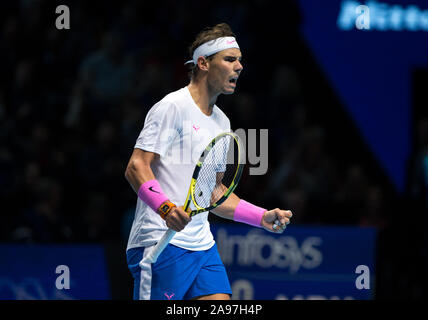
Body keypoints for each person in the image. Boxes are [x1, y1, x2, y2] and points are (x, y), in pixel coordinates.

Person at [124, 23, 293, 300]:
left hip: (202, 245)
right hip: (161, 242)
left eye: (240, 60)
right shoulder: (172, 106)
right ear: (203, 63)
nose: (239, 66)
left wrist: (261, 217)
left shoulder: (223, 122)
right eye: (229, 59)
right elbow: (136, 167)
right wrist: (166, 208)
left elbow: (213, 193)